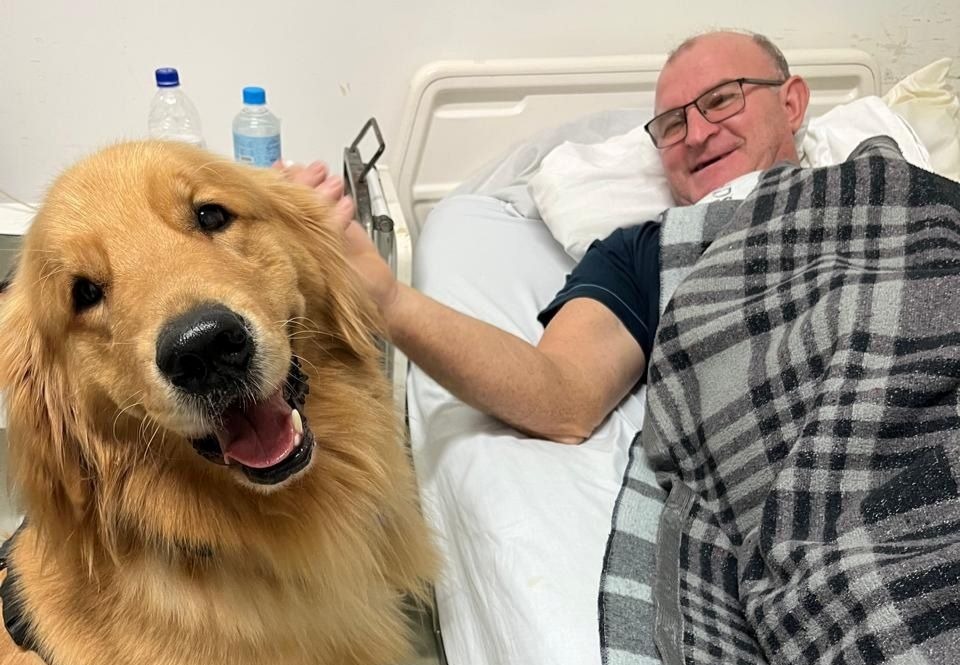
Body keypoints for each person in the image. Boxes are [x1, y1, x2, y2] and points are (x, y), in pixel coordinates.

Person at [296, 29, 811, 443]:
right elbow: (563, 395)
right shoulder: (645, 253)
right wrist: (386, 300)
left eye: (721, 100)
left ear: (791, 103)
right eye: (673, 125)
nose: (696, 134)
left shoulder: (862, 181)